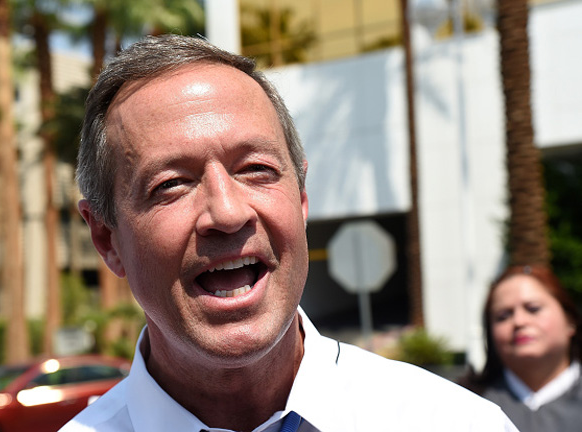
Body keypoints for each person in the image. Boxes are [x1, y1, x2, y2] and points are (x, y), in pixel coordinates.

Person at [60, 34, 518, 432]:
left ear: (301, 199)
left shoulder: (455, 424)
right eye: (172, 185)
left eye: (256, 170)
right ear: (106, 239)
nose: (227, 212)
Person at [459, 265, 582, 431]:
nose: (519, 321)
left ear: (570, 320)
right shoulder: (466, 405)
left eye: (533, 309)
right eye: (503, 316)